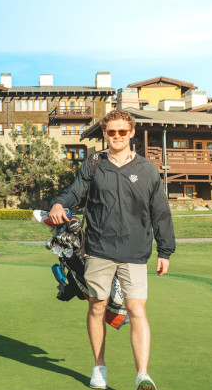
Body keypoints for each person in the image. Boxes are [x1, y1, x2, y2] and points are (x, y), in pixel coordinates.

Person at [48, 109, 175, 390]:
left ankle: (142, 374)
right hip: (98, 249)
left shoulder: (147, 170)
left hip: (135, 251)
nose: (116, 136)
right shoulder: (94, 164)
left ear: (131, 134)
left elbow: (161, 213)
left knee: (137, 309)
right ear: (105, 134)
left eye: (122, 131)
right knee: (97, 306)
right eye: (111, 132)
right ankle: (99, 369)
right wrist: (58, 203)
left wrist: (165, 251)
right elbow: (74, 192)